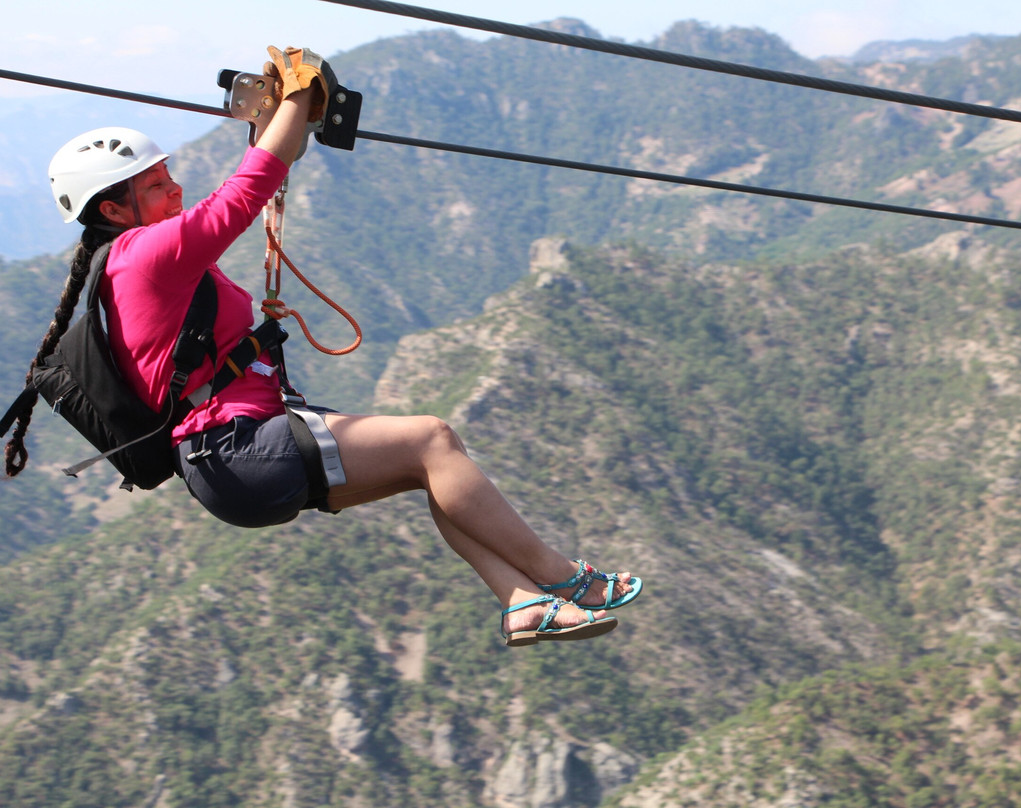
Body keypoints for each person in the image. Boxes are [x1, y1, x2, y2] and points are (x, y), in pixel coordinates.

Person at [3, 48, 641, 646]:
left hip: (230, 460)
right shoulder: (146, 253)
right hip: (240, 446)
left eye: (169, 177)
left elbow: (247, 185)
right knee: (432, 439)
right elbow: (244, 191)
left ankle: (522, 601)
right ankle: (562, 576)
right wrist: (296, 100)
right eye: (154, 187)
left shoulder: (138, 262)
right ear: (114, 212)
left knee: (429, 465)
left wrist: (282, 121)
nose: (175, 191)